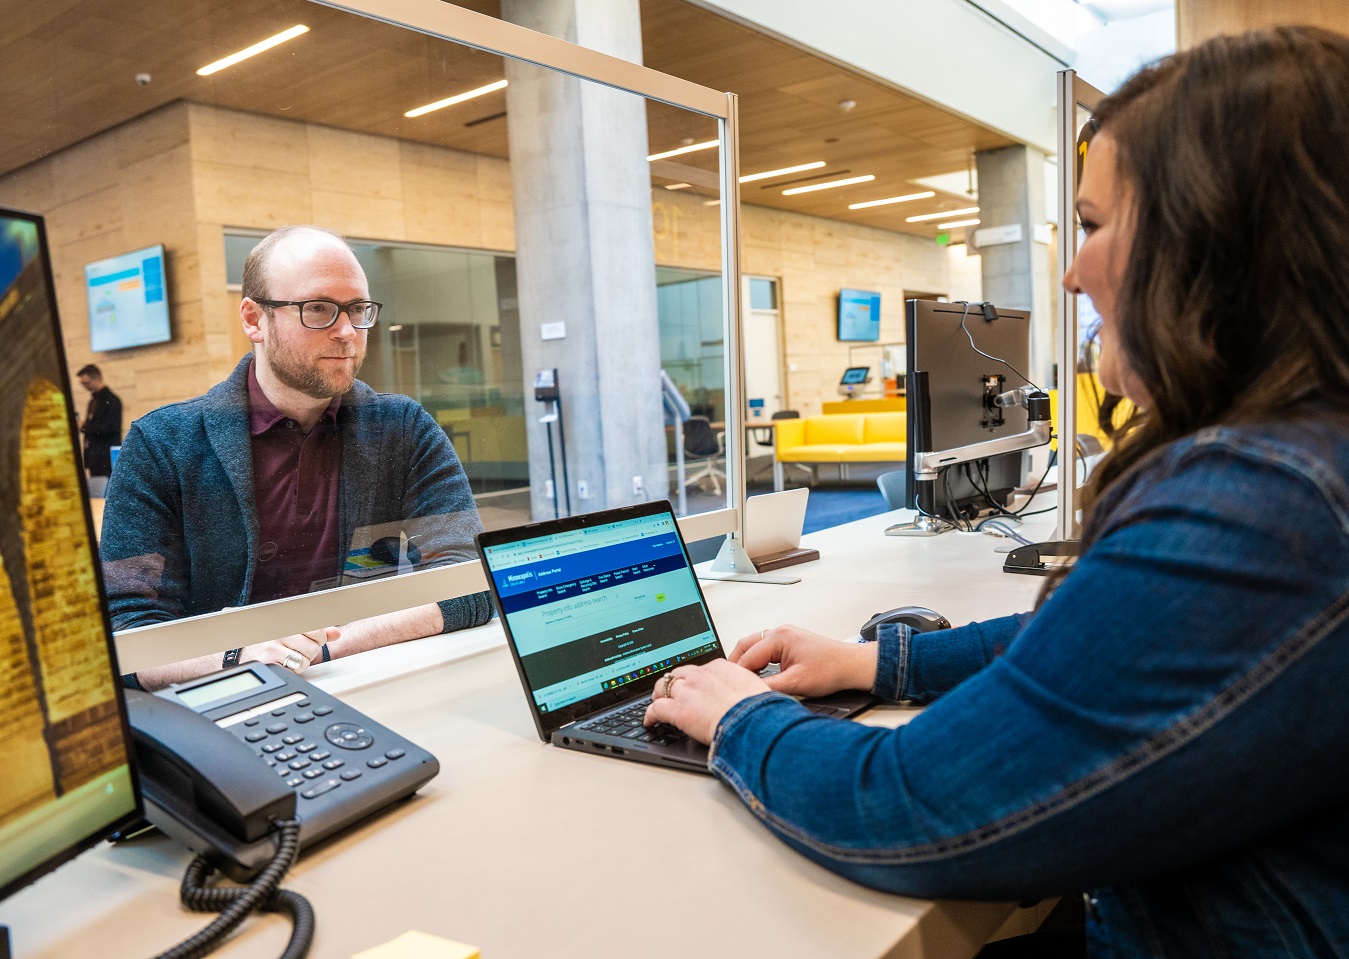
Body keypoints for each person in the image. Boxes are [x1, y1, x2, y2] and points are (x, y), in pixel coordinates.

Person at [644, 26, 1349, 955]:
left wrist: (738, 716)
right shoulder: (1303, 459)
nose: (1071, 271)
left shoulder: (1262, 503)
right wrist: (878, 663)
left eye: (1094, 226)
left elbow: (907, 806)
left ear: (1211, 236)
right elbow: (1111, 647)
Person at [101, 225, 491, 690]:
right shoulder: (162, 444)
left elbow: (470, 581)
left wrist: (319, 648)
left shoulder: (401, 429)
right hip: (222, 701)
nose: (348, 332)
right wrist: (238, 655)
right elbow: (124, 629)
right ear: (253, 319)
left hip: (371, 679)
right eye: (319, 309)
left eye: (358, 309)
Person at [76, 363, 122, 494]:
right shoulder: (92, 401)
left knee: (108, 493)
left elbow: (110, 428)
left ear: (97, 379)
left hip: (105, 457)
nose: (85, 387)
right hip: (94, 455)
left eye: (87, 383)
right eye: (82, 384)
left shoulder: (112, 400)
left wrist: (84, 426)